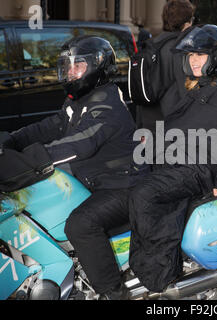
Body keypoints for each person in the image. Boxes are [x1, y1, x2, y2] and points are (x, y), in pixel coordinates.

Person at [4, 35, 149, 299]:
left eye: (77, 66)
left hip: (123, 185)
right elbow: (51, 126)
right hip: (97, 182)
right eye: (67, 66)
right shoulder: (80, 101)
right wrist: (11, 140)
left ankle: (114, 293)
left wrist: (29, 161)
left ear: (97, 67)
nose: (70, 72)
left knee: (80, 224)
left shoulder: (107, 106)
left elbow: (80, 142)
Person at [127, 24, 217, 292]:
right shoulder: (198, 89)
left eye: (200, 55)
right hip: (176, 160)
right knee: (127, 179)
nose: (194, 61)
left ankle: (160, 271)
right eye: (191, 57)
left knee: (144, 194)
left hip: (198, 169)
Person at [140, 0, 196, 132]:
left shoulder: (150, 45)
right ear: (187, 23)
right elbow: (186, 92)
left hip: (147, 121)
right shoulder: (181, 50)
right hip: (172, 126)